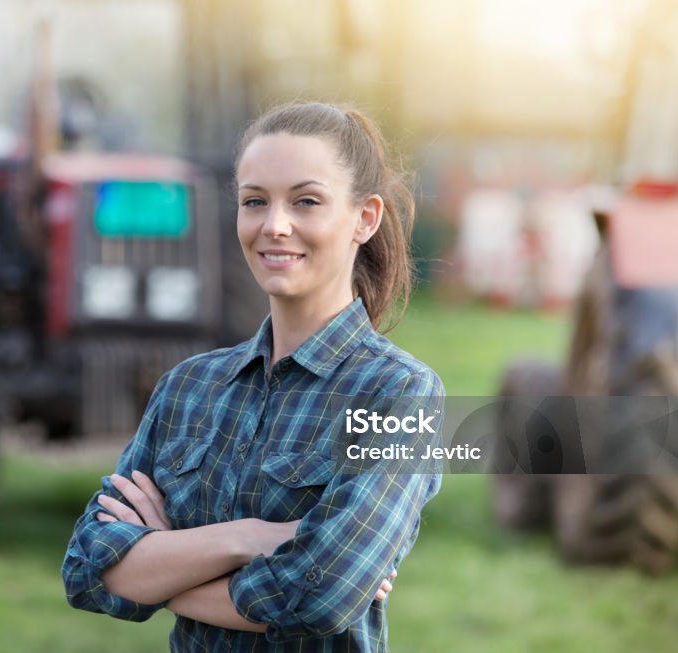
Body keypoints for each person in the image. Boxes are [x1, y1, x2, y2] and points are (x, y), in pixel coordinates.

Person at [62, 101, 444, 651]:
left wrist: (161, 564)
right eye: (254, 202)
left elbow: (319, 595)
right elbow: (85, 568)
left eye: (306, 201)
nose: (275, 226)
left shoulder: (401, 394)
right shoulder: (188, 387)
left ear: (365, 218)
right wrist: (245, 540)